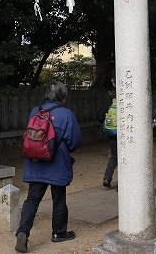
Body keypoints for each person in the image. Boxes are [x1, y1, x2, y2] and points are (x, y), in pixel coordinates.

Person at [15, 81, 82, 253]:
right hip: (57, 164)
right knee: (58, 199)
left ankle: (22, 233)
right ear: (63, 98)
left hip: (35, 163)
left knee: (32, 200)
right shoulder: (66, 115)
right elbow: (74, 142)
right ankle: (59, 233)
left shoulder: (35, 111)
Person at [97, 95, 117, 189]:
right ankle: (122, 184)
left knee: (114, 157)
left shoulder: (111, 103)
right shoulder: (129, 104)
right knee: (126, 159)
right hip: (126, 135)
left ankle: (107, 178)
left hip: (112, 134)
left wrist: (106, 123)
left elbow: (100, 115)